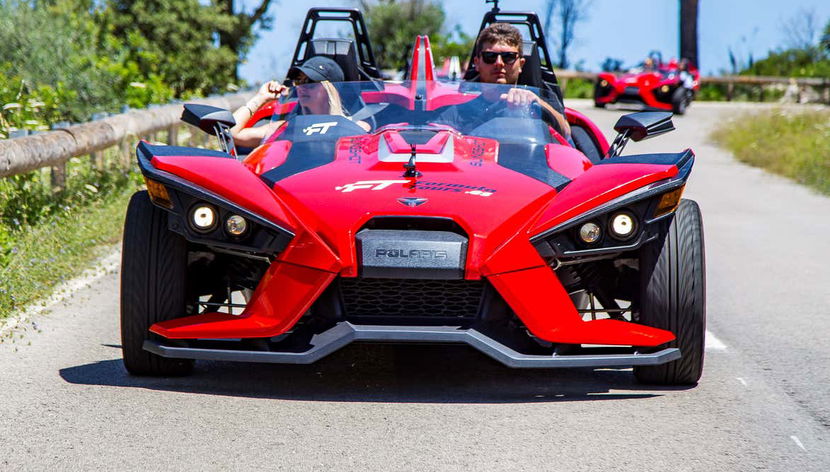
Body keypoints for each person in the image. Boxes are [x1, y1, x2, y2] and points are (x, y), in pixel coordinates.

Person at [439, 23, 572, 141]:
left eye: (508, 57)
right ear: (477, 63)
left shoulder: (542, 99)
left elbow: (566, 133)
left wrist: (536, 102)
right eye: (490, 56)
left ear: (521, 64)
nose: (499, 63)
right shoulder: (458, 113)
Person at [230, 56, 369, 148]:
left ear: (331, 89)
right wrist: (260, 98)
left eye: (310, 82)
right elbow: (231, 134)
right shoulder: (282, 128)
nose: (302, 87)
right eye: (298, 81)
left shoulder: (356, 128)